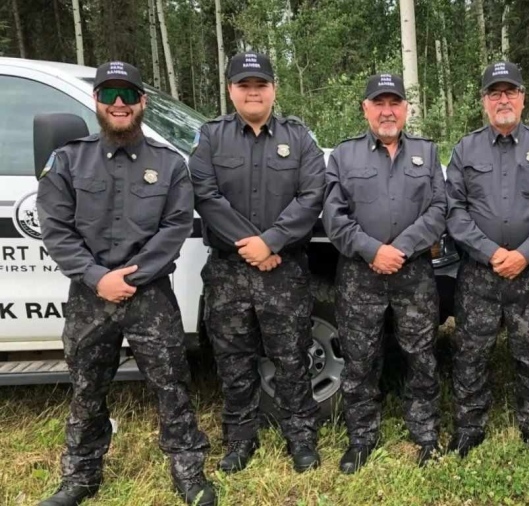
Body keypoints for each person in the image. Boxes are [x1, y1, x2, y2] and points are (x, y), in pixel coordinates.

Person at [37, 61, 214, 506]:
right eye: (110, 95)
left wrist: (129, 278)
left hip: (149, 295)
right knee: (87, 388)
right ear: (96, 101)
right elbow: (56, 230)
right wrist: (99, 278)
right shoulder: (68, 160)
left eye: (129, 95)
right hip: (90, 296)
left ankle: (189, 472)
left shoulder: (169, 164)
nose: (120, 103)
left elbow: (175, 228)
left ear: (143, 102)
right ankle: (79, 477)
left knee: (171, 385)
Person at [189, 52, 326, 474]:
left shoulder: (299, 138)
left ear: (273, 90)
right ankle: (240, 439)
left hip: (284, 269)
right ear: (230, 90)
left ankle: (300, 436)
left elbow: (312, 196)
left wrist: (271, 242)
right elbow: (205, 195)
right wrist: (251, 245)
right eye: (244, 85)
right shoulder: (210, 137)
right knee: (233, 360)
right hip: (229, 271)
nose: (253, 92)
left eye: (260, 85)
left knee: (292, 356)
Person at [444, 62, 529, 458]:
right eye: (495, 93)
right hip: (479, 274)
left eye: (510, 92)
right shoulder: (465, 149)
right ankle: (469, 426)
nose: (503, 100)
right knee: (471, 354)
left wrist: (525, 254)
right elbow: (454, 212)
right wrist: (492, 252)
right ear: (484, 101)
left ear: (522, 98)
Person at [323, 73, 447, 474]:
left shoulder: (427, 153)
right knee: (360, 359)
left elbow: (439, 210)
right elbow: (333, 217)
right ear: (366, 109)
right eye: (379, 103)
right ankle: (361, 436)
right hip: (360, 274)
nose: (387, 111)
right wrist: (373, 251)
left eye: (395, 103)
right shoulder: (343, 156)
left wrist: (402, 249)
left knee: (421, 356)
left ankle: (425, 432)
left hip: (414, 274)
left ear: (406, 109)